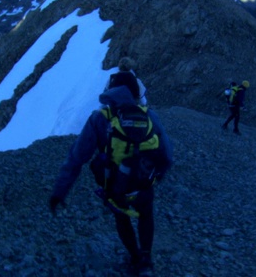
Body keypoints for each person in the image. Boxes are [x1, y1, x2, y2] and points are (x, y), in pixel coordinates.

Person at [49, 86, 173, 275]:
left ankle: (135, 257)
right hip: (143, 183)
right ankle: (146, 260)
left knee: (122, 218)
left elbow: (77, 157)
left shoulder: (100, 118)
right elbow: (167, 155)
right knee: (146, 215)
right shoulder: (149, 115)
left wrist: (60, 191)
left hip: (116, 186)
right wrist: (155, 178)